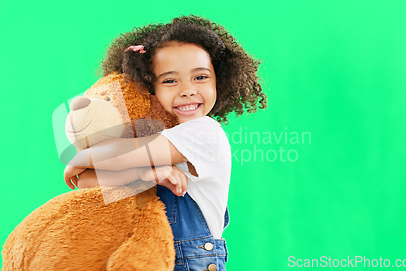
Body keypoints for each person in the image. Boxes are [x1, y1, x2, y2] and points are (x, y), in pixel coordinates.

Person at [64, 15, 267, 270]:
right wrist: (147, 174)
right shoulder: (158, 143)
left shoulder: (205, 132)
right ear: (151, 89)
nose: (187, 90)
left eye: (200, 77)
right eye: (170, 80)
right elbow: (88, 183)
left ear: (220, 80)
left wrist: (82, 158)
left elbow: (123, 155)